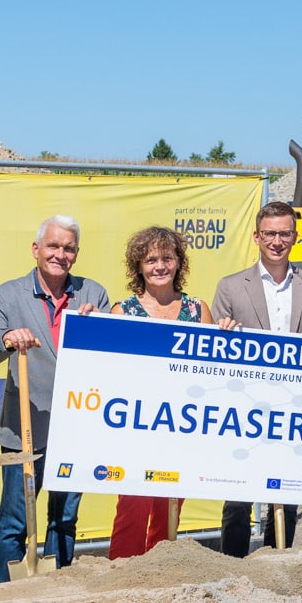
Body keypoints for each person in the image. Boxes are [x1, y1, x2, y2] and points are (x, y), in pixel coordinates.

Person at [0, 216, 109, 579]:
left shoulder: (93, 295)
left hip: (77, 428)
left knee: (64, 519)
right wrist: (7, 338)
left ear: (76, 254)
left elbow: (111, 356)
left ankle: (56, 585)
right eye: (53, 246)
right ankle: (8, 591)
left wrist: (102, 328)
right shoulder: (7, 295)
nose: (60, 254)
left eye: (68, 248)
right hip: (25, 429)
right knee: (15, 521)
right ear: (36, 249)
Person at [209, 200, 302, 555]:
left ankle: (278, 563)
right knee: (238, 497)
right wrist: (223, 330)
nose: (277, 241)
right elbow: (215, 349)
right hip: (243, 405)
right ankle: (232, 564)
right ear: (256, 237)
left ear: (295, 236)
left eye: (284, 234)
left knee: (285, 496)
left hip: (293, 407)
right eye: (270, 234)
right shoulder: (231, 287)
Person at [106, 225, 207, 560]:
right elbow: (110, 372)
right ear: (139, 266)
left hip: (182, 427)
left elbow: (212, 373)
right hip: (137, 427)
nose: (160, 266)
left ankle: (161, 574)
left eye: (167, 258)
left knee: (170, 511)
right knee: (132, 510)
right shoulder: (122, 312)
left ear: (179, 262)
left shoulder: (198, 310)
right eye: (151, 260)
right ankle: (122, 574)